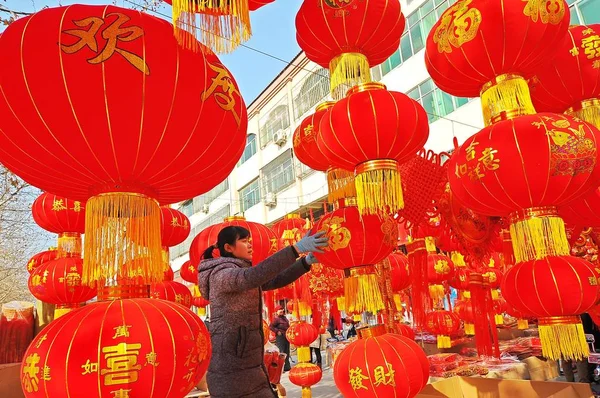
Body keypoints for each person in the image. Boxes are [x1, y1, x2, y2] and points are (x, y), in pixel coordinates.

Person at [198, 226, 328, 398]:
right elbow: (252, 276)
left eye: (249, 240)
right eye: (243, 241)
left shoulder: (239, 272)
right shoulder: (221, 274)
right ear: (228, 247)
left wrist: (305, 262)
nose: (250, 245)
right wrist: (296, 249)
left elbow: (275, 279)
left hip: (248, 366)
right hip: (231, 372)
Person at [270, 306, 292, 371]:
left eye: (282, 309)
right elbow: (270, 327)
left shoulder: (284, 318)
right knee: (281, 352)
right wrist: (277, 331)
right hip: (280, 337)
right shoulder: (276, 318)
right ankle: (280, 368)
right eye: (279, 310)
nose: (281, 310)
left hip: (286, 336)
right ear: (276, 311)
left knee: (287, 351)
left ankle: (287, 366)